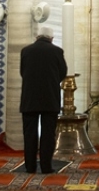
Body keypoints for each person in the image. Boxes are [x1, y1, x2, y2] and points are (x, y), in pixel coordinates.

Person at [19, 26, 68, 173]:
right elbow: (62, 73)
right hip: (49, 98)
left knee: (29, 134)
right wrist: (52, 82)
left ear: (37, 37)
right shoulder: (57, 51)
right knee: (48, 134)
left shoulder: (26, 51)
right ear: (51, 38)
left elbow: (23, 72)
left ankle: (30, 166)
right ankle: (46, 166)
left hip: (29, 98)